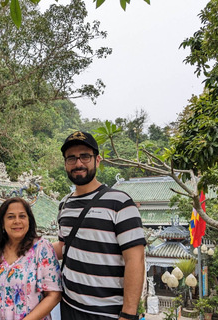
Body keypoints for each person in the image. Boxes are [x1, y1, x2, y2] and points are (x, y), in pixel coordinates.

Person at [52, 131, 147, 320]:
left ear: (97, 160)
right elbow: (64, 246)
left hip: (107, 313)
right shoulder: (65, 204)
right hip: (69, 307)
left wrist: (128, 314)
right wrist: (25, 247)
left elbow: (135, 260)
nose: (78, 163)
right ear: (65, 164)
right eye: (71, 158)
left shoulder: (120, 202)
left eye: (85, 156)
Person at [0, 197, 62, 320]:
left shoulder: (42, 248)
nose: (17, 221)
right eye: (10, 217)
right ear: (2, 222)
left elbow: (54, 295)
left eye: (22, 216)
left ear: (29, 221)